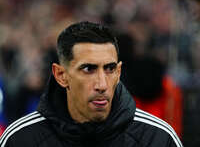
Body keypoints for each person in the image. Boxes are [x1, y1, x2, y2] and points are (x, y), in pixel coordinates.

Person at [0, 21, 183, 147]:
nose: (102, 84)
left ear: (119, 72)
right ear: (61, 75)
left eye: (110, 69)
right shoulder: (20, 139)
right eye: (88, 69)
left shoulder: (157, 138)